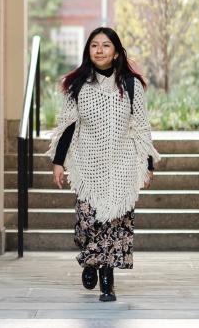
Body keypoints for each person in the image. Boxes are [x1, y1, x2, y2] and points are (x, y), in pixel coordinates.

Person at [44, 27, 159, 302]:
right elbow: (68, 127)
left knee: (115, 224)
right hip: (87, 162)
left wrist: (148, 165)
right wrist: (59, 163)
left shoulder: (131, 85)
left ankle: (107, 280)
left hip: (123, 164)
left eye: (106, 45)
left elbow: (141, 127)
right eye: (94, 45)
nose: (99, 50)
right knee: (88, 221)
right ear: (88, 51)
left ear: (116, 51)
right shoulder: (79, 86)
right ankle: (90, 261)